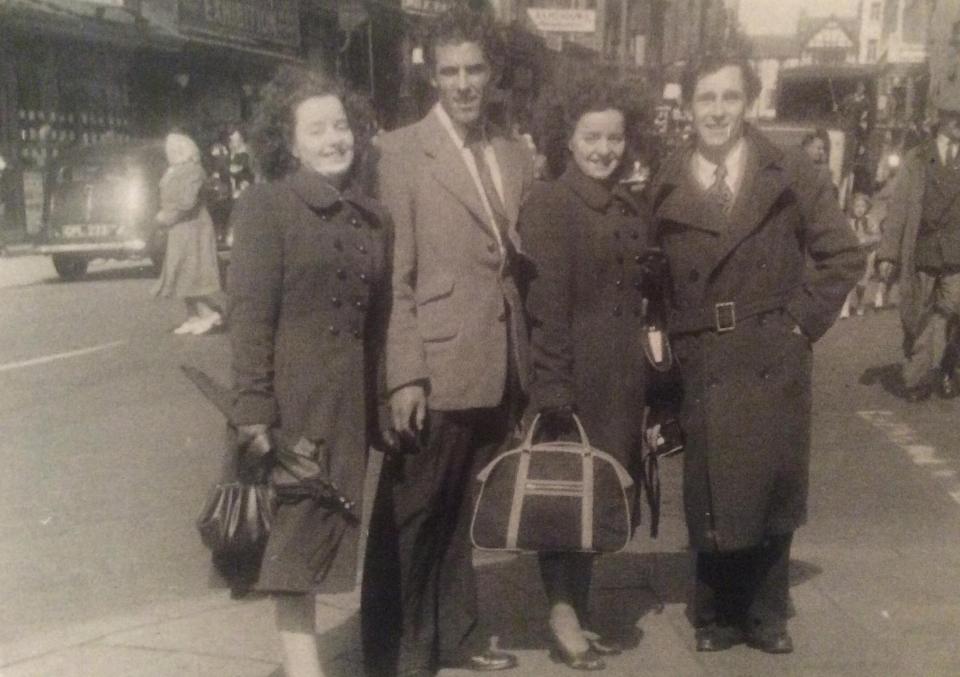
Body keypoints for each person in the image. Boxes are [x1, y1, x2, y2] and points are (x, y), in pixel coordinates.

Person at [649, 53, 863, 655]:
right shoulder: (665, 182)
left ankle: (768, 613)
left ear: (749, 103)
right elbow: (652, 273)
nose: (717, 111)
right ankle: (715, 611)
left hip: (772, 348)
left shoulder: (790, 170)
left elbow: (844, 255)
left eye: (729, 98)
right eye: (705, 99)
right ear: (687, 106)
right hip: (702, 356)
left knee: (773, 481)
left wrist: (800, 324)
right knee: (709, 482)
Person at [361, 6, 534, 676]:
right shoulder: (400, 151)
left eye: (475, 70)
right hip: (434, 363)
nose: (463, 84)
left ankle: (456, 633)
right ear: (432, 76)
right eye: (450, 72)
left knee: (463, 509)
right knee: (413, 515)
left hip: (496, 361)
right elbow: (394, 277)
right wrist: (405, 374)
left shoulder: (511, 153)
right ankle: (396, 651)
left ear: (493, 75)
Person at [228, 65, 388, 677]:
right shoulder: (266, 206)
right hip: (290, 405)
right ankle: (304, 668)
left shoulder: (374, 218)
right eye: (316, 129)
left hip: (346, 408)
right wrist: (253, 409)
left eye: (341, 125)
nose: (333, 139)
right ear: (289, 143)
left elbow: (375, 327)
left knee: (324, 534)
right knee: (294, 540)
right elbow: (249, 316)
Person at [520, 77, 659, 670]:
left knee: (599, 496)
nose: (605, 149)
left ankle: (577, 609)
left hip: (623, 380)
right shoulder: (551, 202)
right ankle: (563, 614)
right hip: (577, 378)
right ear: (567, 140)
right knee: (565, 494)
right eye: (591, 137)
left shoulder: (628, 202)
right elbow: (545, 305)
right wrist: (553, 389)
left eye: (615, 137)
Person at [877, 103, 960, 401]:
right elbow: (899, 207)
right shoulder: (917, 157)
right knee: (918, 315)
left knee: (955, 311)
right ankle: (917, 380)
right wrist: (888, 253)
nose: (959, 122)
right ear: (942, 119)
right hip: (923, 248)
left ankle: (949, 365)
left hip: (957, 251)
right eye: (954, 115)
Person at [152, 132, 223, 335]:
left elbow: (187, 202)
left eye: (174, 149)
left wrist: (166, 217)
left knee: (191, 273)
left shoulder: (193, 170)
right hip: (178, 228)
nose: (170, 153)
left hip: (193, 227)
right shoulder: (173, 171)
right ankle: (193, 316)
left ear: (185, 150)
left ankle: (210, 313)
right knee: (179, 273)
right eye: (169, 149)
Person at [840, 193, 882, 318]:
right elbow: (843, 236)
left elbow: (878, 236)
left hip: (867, 255)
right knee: (848, 280)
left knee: (862, 283)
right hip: (852, 254)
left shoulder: (870, 220)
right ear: (852, 208)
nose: (859, 209)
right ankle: (845, 306)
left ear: (867, 207)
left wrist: (866, 240)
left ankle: (859, 302)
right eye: (857, 206)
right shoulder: (849, 221)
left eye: (862, 206)